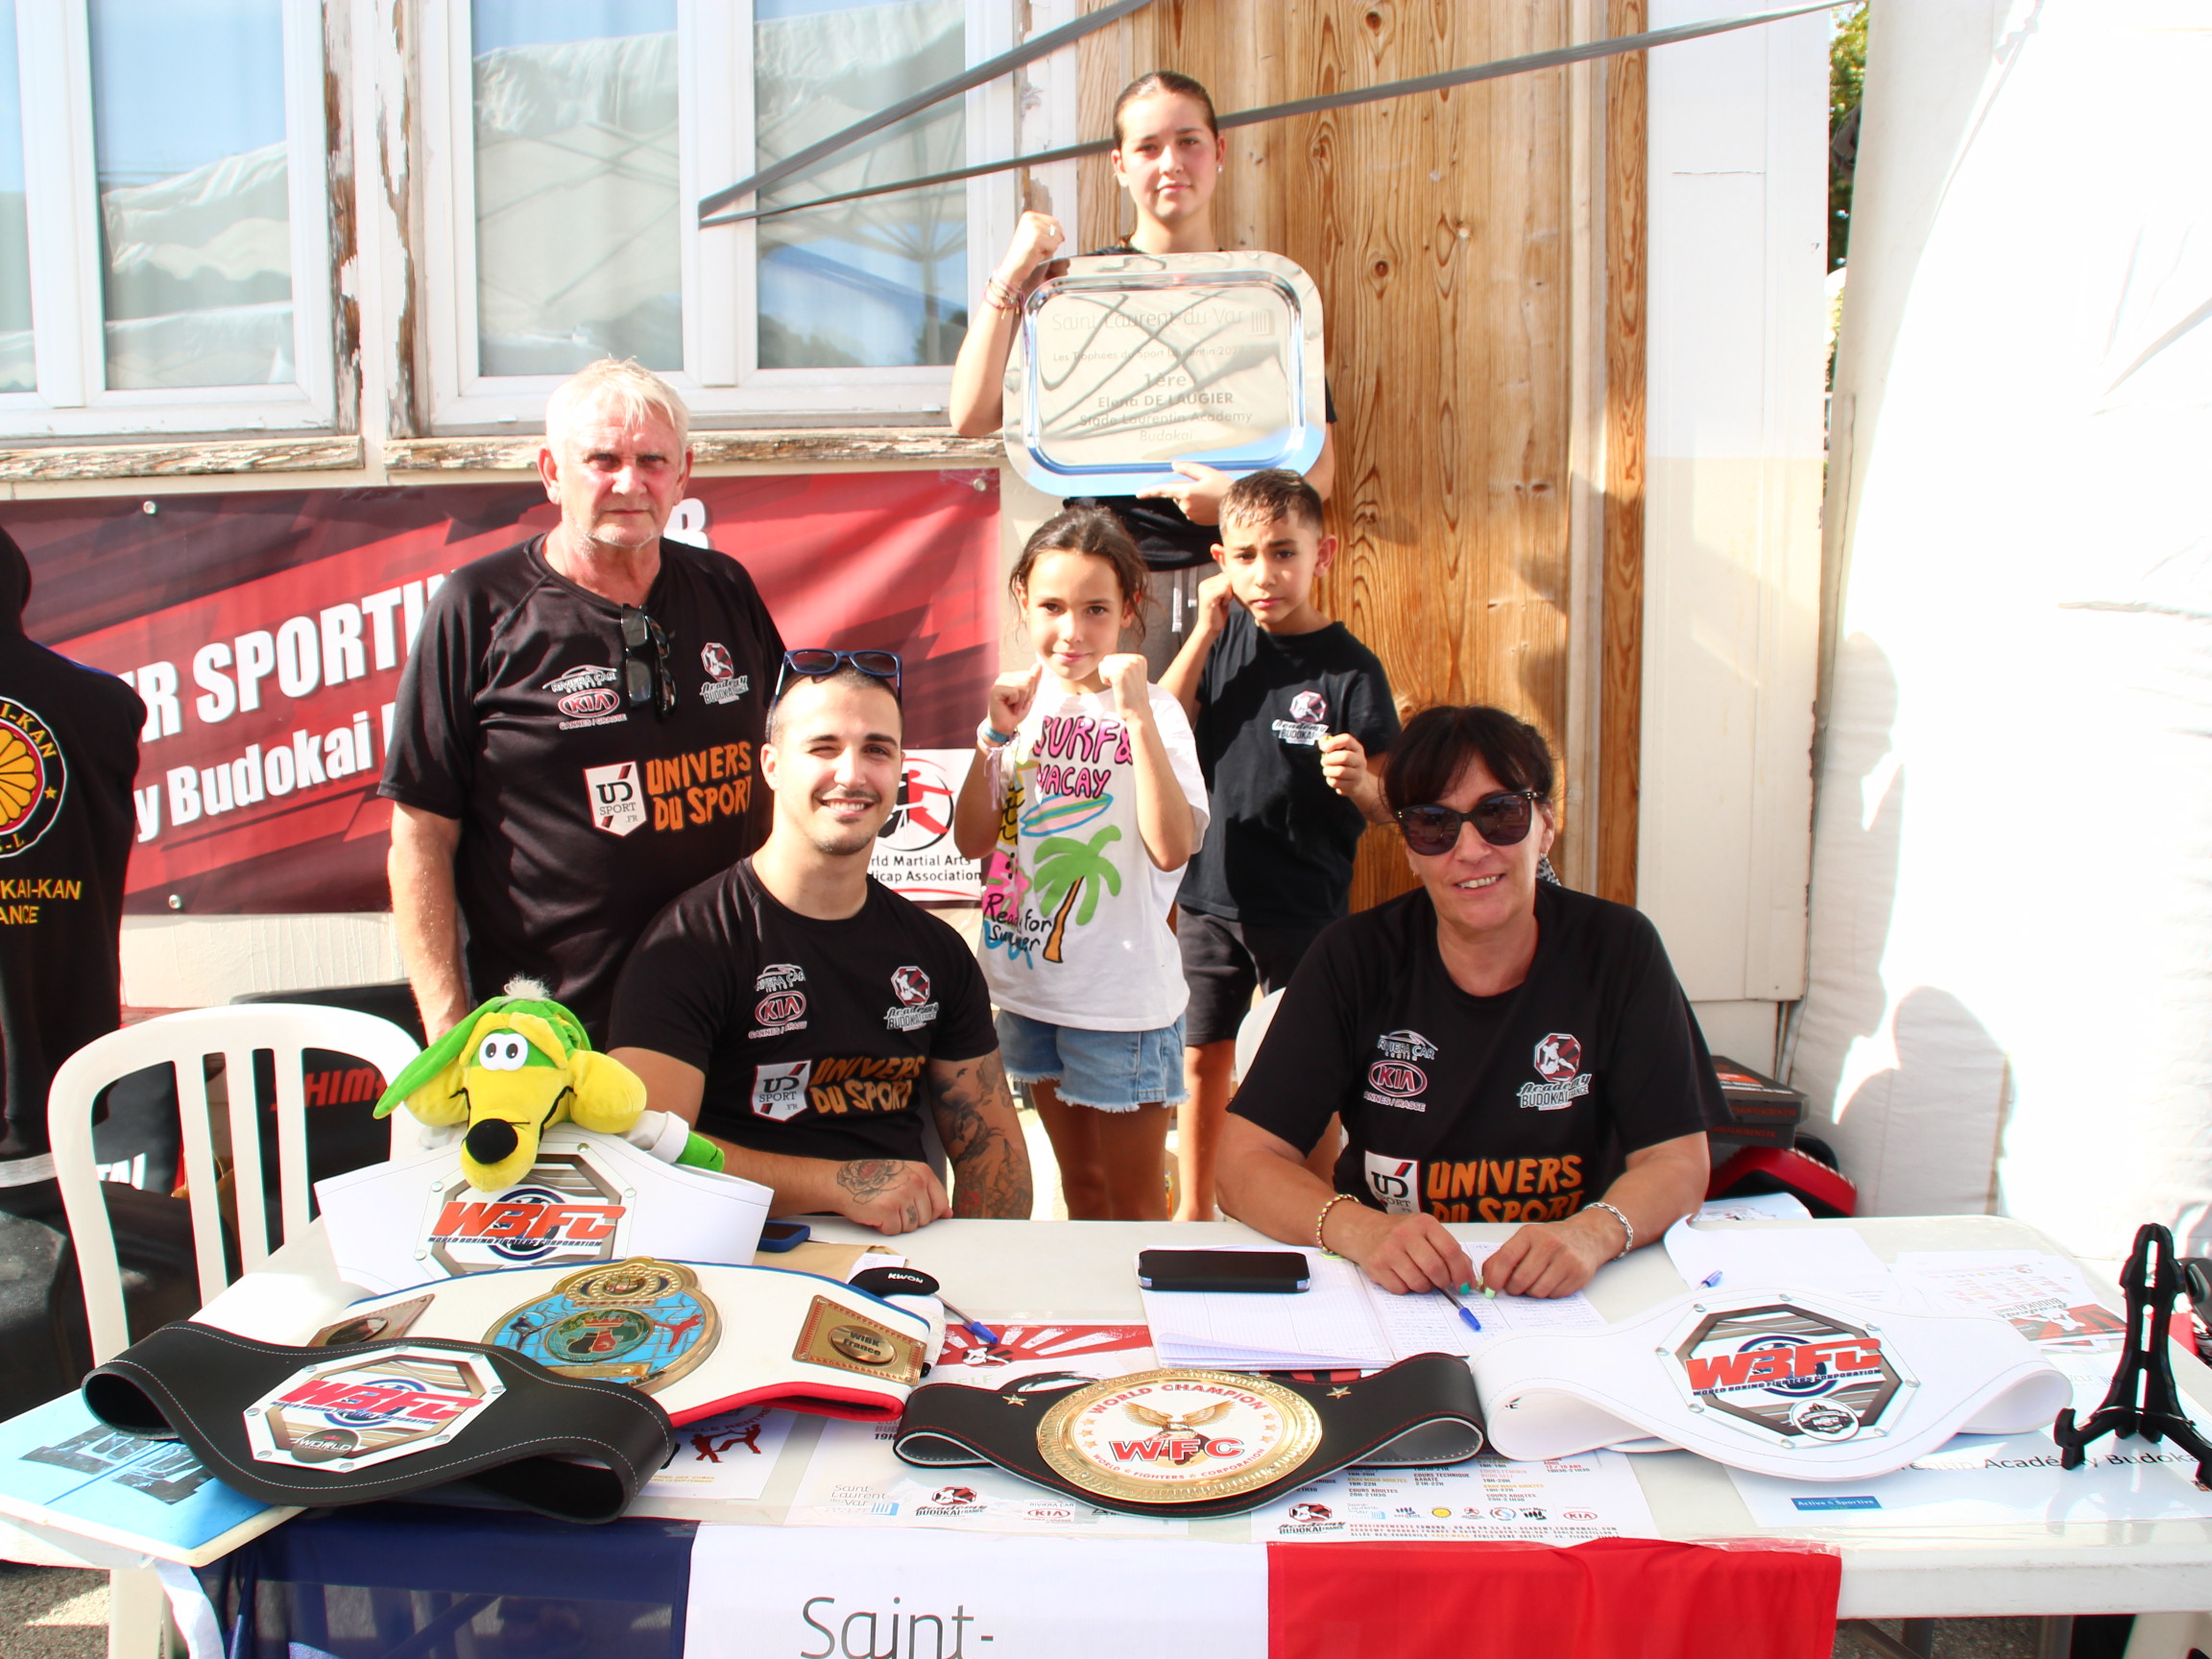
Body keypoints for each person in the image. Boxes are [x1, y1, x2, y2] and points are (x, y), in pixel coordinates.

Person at [1215, 706, 1719, 1297]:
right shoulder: (1353, 957)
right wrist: (1363, 1231)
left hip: (1584, 1291)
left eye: (1500, 814)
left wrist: (1592, 1234)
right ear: (1409, 848)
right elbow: (1242, 1164)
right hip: (1393, 1291)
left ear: (1545, 825)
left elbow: (1679, 1162)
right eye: (1435, 825)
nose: (1471, 849)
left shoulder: (1618, 948)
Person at [381, 358, 783, 1043]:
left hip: (732, 1007)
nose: (630, 483)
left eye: (652, 460)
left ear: (683, 473)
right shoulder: (477, 608)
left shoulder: (725, 587)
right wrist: (449, 1032)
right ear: (551, 471)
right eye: (603, 459)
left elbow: (789, 766)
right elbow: (420, 834)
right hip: (554, 1027)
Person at [608, 657, 1031, 1235]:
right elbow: (640, 1154)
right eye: (824, 748)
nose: (853, 775)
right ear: (772, 766)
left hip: (903, 1266)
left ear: (902, 768)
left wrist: (982, 1279)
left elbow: (994, 1155)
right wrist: (836, 1186)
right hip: (740, 1259)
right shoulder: (688, 943)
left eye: (877, 750)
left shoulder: (936, 951)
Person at [947, 70, 1337, 670]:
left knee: (1235, 764)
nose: (1171, 163)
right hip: (1108, 586)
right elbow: (971, 416)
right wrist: (1014, 271)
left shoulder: (1261, 295)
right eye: (1149, 147)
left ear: (1219, 152)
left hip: (1236, 576)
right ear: (1120, 164)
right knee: (1120, 759)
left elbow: (1320, 471)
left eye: (1188, 142)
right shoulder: (1074, 293)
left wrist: (1232, 501)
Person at [952, 508, 1208, 1221]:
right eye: (1054, 607)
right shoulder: (1015, 708)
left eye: (1096, 609)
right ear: (1023, 604)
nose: (1073, 631)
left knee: (1133, 1206)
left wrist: (1135, 720)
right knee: (1081, 1192)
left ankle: (1148, 1331)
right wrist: (991, 738)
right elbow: (973, 840)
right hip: (1030, 996)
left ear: (1129, 611)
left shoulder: (1156, 713)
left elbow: (1172, 845)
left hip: (1121, 1005)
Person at [1158, 469, 1399, 1220]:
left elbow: (1392, 807)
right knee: (1203, 1064)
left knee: (1304, 1070)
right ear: (1220, 561)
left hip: (1303, 910)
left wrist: (1360, 780)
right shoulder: (1221, 641)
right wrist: (1202, 628)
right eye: (1246, 555)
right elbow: (1159, 720)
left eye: (1284, 553)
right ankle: (1196, 1214)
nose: (1265, 574)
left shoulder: (1351, 667)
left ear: (1322, 554)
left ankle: (1311, 1211)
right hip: (1208, 900)